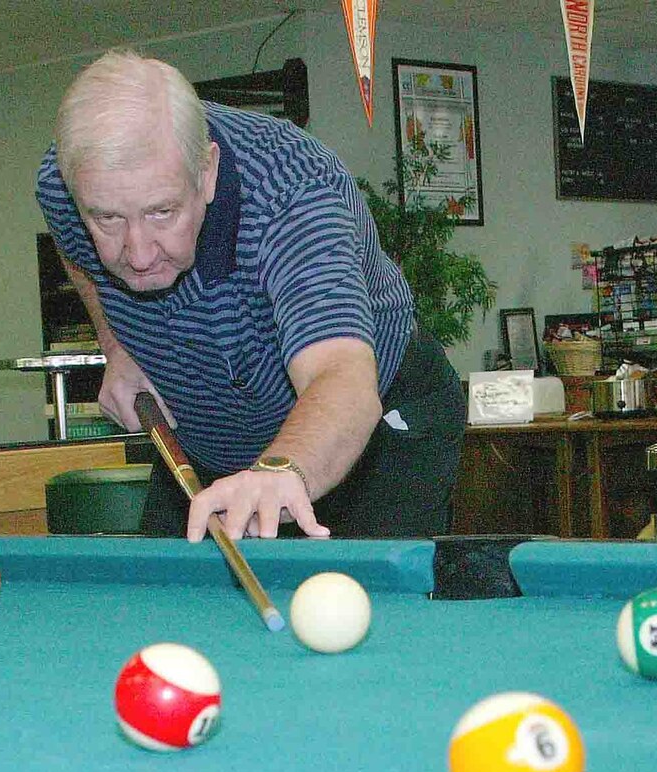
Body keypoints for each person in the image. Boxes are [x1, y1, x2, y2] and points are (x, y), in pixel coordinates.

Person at [36, 50, 465, 541]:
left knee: (353, 588)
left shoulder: (294, 193)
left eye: (161, 212)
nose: (137, 253)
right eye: (108, 218)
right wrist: (117, 348)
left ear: (208, 172)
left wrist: (278, 471)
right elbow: (74, 251)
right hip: (210, 443)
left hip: (371, 431)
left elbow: (339, 374)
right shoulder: (63, 184)